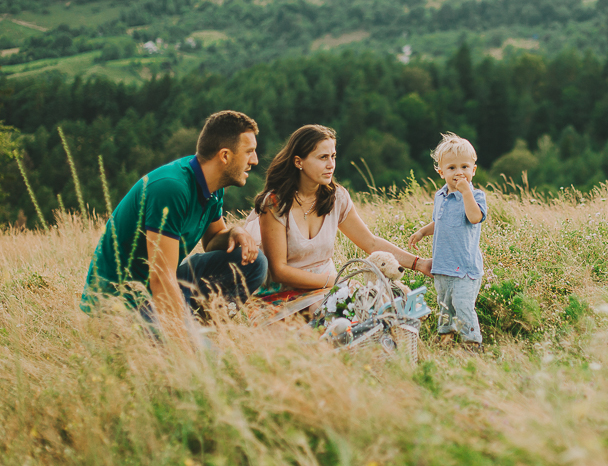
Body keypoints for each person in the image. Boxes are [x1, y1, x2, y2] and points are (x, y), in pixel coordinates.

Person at [81, 110, 267, 341]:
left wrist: (236, 231)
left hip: (164, 284)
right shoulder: (171, 188)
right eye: (249, 152)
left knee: (255, 263)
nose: (255, 160)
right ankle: (190, 334)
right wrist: (185, 343)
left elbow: (212, 240)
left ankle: (205, 326)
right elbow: (160, 278)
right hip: (123, 300)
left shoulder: (213, 184)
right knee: (205, 358)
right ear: (225, 156)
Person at [246, 124, 431, 307]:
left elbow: (371, 243)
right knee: (327, 318)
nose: (331, 165)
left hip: (326, 290)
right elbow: (280, 271)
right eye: (323, 157)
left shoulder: (336, 197)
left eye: (333, 156)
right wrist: (336, 281)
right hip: (281, 294)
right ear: (298, 162)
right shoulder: (274, 204)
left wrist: (420, 264)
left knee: (379, 306)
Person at [409, 132, 487, 350]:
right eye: (452, 168)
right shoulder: (440, 196)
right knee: (445, 304)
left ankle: (472, 342)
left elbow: (474, 218)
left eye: (464, 167)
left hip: (465, 267)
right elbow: (440, 222)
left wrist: (466, 193)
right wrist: (424, 232)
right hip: (443, 264)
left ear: (473, 169)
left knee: (462, 305)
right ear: (441, 171)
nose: (459, 172)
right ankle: (446, 336)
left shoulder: (476, 196)